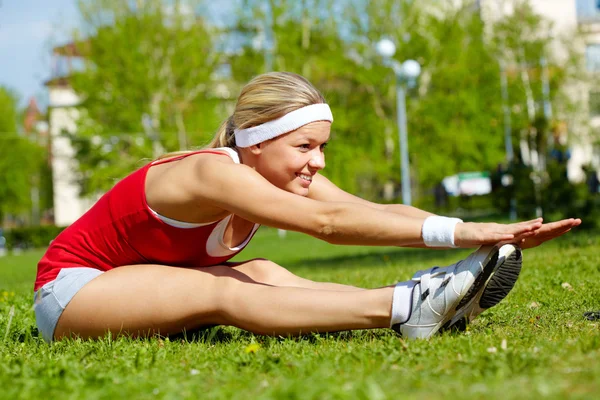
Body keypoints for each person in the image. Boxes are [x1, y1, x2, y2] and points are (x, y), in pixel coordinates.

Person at [33, 72, 581, 343]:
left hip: (136, 285)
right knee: (224, 289)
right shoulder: (210, 173)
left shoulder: (276, 174)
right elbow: (330, 225)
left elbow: (372, 209)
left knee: (265, 272)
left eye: (322, 147)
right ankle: (410, 306)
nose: (317, 162)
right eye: (304, 147)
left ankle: (430, 304)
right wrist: (470, 234)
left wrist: (482, 231)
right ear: (255, 141)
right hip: (69, 295)